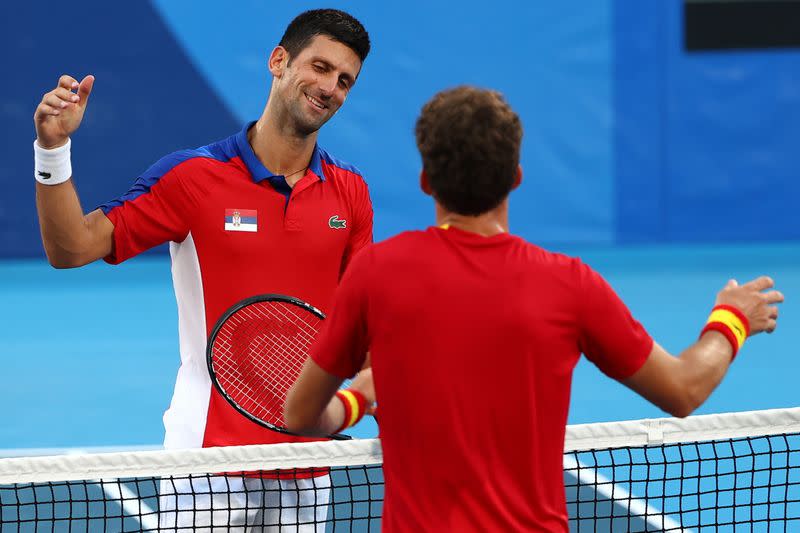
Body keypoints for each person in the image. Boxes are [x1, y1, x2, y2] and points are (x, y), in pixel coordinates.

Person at [284, 86, 784, 531]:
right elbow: (683, 389)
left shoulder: (375, 273)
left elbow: (302, 414)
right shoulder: (570, 283)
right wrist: (731, 318)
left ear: (425, 181)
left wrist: (359, 399)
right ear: (517, 177)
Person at [33, 9, 372, 531]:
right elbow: (72, 247)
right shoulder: (193, 178)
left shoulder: (350, 193)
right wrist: (52, 149)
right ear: (278, 61)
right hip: (208, 457)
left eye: (344, 80)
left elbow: (363, 321)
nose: (329, 88)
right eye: (320, 67)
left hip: (307, 456)